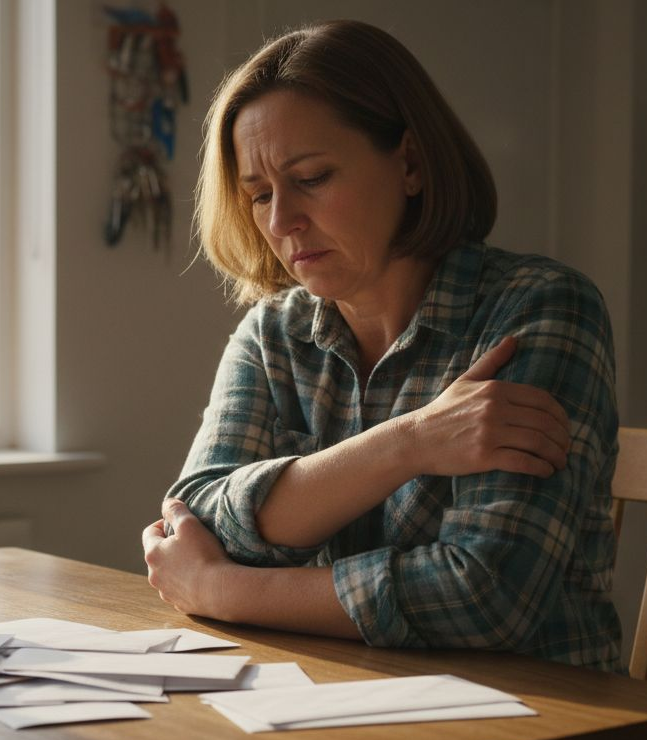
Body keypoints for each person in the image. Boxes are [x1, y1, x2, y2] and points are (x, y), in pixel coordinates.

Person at [141, 19, 622, 672]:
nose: (280, 221)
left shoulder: (537, 308)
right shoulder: (273, 334)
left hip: (539, 724)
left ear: (412, 164)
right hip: (335, 708)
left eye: (310, 177)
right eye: (258, 195)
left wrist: (227, 589)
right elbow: (194, 520)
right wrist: (409, 443)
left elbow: (489, 596)